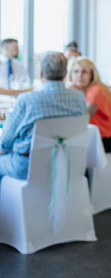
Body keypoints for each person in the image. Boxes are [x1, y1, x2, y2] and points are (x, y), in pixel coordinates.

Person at [0, 52, 86, 182]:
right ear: (65, 74)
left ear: (41, 74)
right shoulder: (79, 98)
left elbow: (5, 142)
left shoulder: (27, 100)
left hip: (27, 166)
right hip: (65, 163)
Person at [67, 57, 111, 156]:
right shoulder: (83, 92)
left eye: (84, 72)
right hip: (97, 137)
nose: (79, 76)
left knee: (71, 148)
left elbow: (83, 119)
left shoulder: (96, 90)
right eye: (75, 72)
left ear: (92, 75)